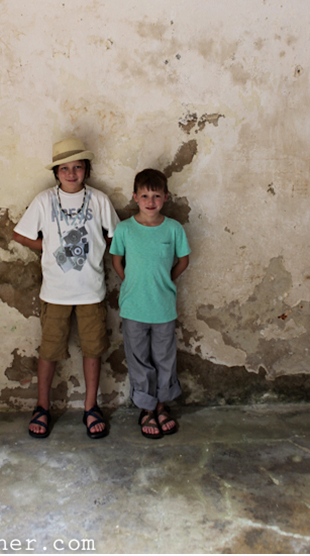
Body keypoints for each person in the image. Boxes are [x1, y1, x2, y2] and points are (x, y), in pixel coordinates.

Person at [12, 137, 120, 439]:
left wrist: (97, 252)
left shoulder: (98, 200)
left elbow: (116, 236)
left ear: (86, 169)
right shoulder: (45, 200)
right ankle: (42, 406)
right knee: (49, 350)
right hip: (55, 293)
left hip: (91, 290)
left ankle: (90, 407)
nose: (71, 174)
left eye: (78, 167)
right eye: (64, 169)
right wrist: (48, 248)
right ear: (56, 172)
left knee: (93, 349)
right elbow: (20, 235)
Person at [110, 168, 190, 438]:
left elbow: (183, 261)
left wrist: (166, 280)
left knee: (165, 357)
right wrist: (130, 280)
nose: (150, 201)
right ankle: (146, 409)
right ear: (135, 197)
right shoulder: (125, 229)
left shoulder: (173, 228)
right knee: (139, 359)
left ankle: (161, 404)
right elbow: (117, 261)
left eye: (156, 195)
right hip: (133, 307)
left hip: (163, 306)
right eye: (144, 195)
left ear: (166, 197)